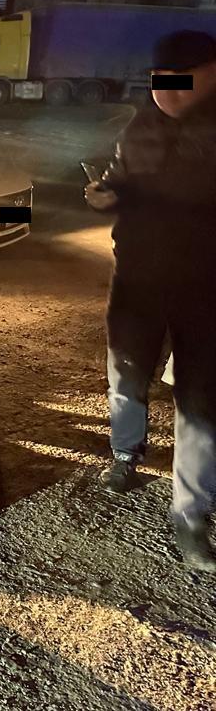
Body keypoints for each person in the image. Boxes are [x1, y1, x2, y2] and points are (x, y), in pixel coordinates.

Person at [84, 30, 216, 572]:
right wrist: (105, 196)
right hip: (137, 278)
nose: (168, 93)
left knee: (201, 397)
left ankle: (191, 514)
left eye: (183, 81)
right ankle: (125, 453)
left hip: (205, 285)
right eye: (160, 82)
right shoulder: (139, 127)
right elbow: (122, 184)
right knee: (126, 370)